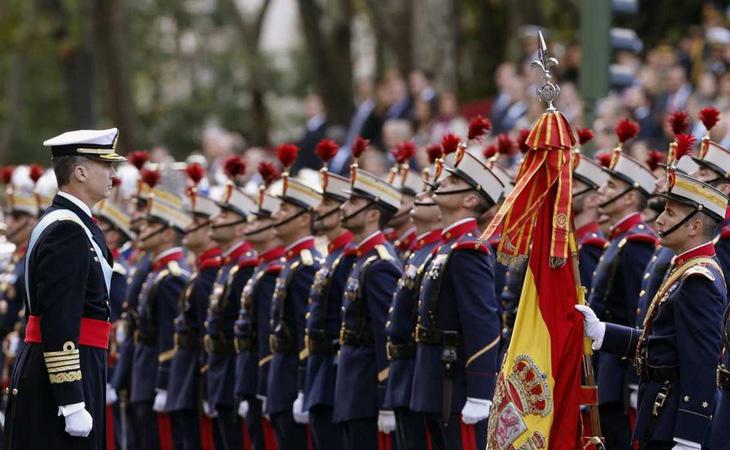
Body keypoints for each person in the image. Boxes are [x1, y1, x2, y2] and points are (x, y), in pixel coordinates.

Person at [577, 170, 727, 450]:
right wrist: (603, 331)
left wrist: (689, 437)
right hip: (658, 410)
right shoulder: (684, 268)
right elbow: (661, 342)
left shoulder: (698, 280)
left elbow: (701, 363)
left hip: (671, 419)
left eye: (669, 213)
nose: (658, 219)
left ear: (694, 226)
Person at [4, 128, 126, 449]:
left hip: (80, 365)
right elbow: (60, 319)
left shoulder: (73, 223)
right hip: (65, 373)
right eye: (106, 165)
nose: (113, 174)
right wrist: (71, 398)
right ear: (81, 172)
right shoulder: (67, 230)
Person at [409, 146, 503, 450]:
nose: (441, 183)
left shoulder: (468, 250)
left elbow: (484, 323)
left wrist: (479, 391)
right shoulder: (447, 248)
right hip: (436, 378)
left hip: (456, 384)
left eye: (452, 182)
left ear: (470, 199)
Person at [590, 147, 658, 450]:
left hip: (621, 372)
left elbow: (639, 313)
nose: (602, 191)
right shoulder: (618, 240)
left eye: (612, 186)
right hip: (607, 371)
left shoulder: (636, 243)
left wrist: (634, 379)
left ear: (630, 197)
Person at [333, 158, 403, 450]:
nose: (343, 208)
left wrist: (387, 397)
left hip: (366, 391)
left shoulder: (379, 264)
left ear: (373, 213)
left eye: (353, 202)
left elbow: (386, 334)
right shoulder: (363, 259)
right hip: (352, 385)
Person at [130, 187, 192, 450]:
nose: (142, 230)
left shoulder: (171, 277)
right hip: (144, 373)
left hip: (156, 376)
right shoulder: (159, 273)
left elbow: (170, 336)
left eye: (151, 225)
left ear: (168, 233)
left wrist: (164, 384)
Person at [383, 173, 442, 450]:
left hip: (423, 374)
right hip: (405, 374)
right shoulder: (418, 252)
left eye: (431, 194)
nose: (421, 197)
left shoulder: (440, 252)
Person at [266, 170, 323, 450]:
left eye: (284, 208)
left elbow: (306, 334)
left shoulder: (305, 266)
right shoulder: (293, 263)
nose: (276, 215)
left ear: (303, 219)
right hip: (281, 380)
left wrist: (303, 386)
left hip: (291, 382)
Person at [165, 176, 222, 450]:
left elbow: (206, 334)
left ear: (212, 229)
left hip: (196, 381)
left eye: (197, 221)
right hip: (185, 378)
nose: (187, 227)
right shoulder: (202, 274)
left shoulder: (210, 276)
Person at [302, 152, 354, 449]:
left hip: (338, 376)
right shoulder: (333, 256)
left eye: (326, 204)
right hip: (321, 375)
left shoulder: (350, 258)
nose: (317, 210)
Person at [205, 179, 258, 449]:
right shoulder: (229, 265)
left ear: (240, 228)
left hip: (233, 372)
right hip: (221, 372)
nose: (215, 220)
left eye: (224, 214)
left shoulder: (245, 266)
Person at [234, 186, 284, 450]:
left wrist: (264, 387)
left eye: (260, 219)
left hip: (261, 378)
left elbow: (267, 334)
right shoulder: (262, 268)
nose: (251, 224)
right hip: (250, 375)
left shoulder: (273, 271)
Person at [93, 199, 133, 449]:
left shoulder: (116, 270)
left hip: (109, 358)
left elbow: (114, 318)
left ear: (116, 235)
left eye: (103, 229)